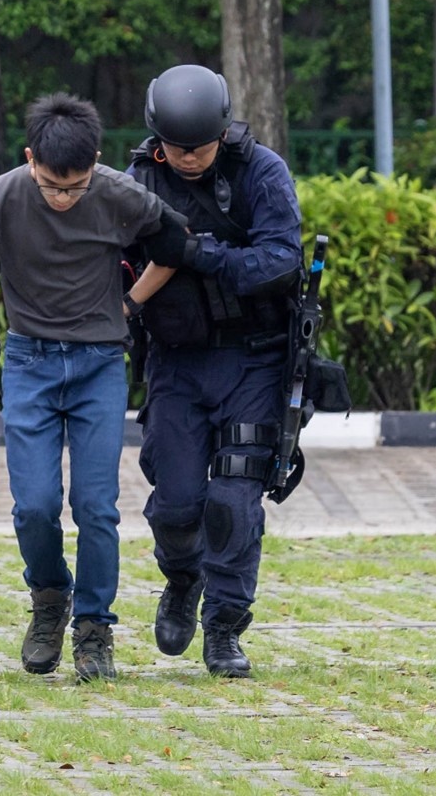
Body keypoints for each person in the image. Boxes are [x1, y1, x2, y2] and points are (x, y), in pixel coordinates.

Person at [0, 93, 186, 682]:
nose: (63, 198)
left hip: (99, 364)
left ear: (97, 162)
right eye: (51, 185)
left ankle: (94, 628)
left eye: (76, 186)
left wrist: (130, 304)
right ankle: (49, 598)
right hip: (31, 361)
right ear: (30, 158)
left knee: (96, 507)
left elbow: (173, 248)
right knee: (33, 506)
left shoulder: (120, 195)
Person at [124, 64, 304, 678]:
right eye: (177, 148)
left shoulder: (262, 171)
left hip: (253, 359)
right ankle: (182, 580)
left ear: (222, 132)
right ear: (158, 140)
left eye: (200, 147)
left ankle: (225, 626)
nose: (189, 158)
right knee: (175, 505)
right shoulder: (139, 178)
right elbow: (108, 261)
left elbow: (281, 259)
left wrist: (198, 252)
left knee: (233, 499)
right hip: (176, 361)